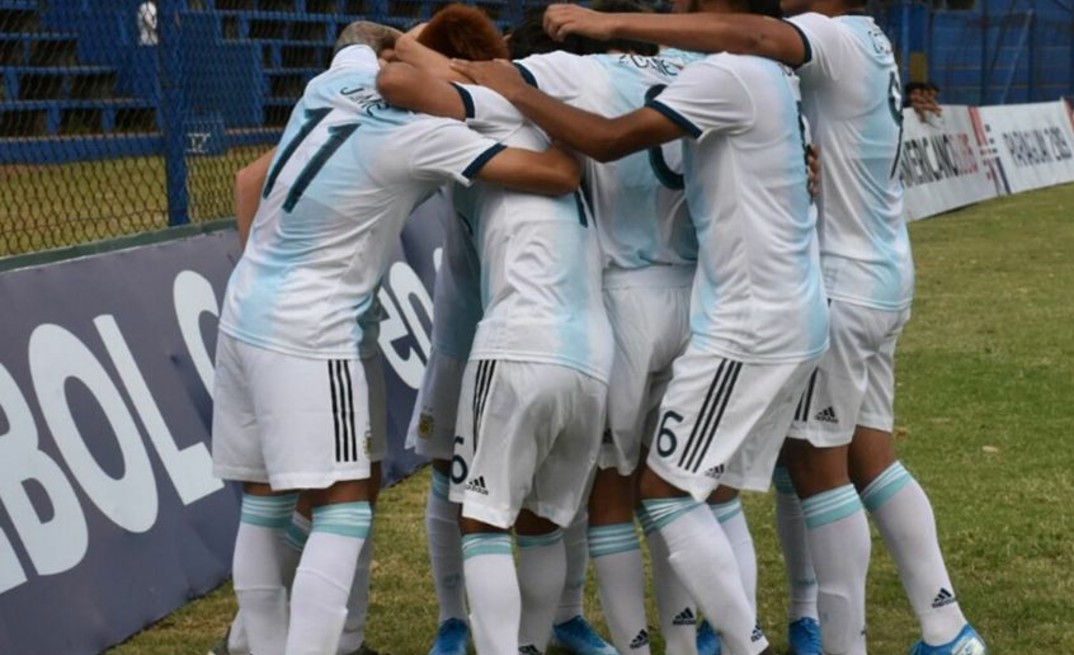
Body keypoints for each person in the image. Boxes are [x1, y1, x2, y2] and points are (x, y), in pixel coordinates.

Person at [542, 4, 986, 655]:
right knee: (866, 457)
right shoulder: (864, 41)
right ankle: (942, 622)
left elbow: (749, 35)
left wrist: (611, 26)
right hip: (878, 270)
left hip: (829, 279)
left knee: (809, 470)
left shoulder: (822, 38)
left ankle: (840, 638)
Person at [452, 0, 827, 650]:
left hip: (632, 299)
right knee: (708, 493)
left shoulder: (579, 69)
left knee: (623, 490)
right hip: (698, 291)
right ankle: (693, 641)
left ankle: (651, 643)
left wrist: (501, 76)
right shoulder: (712, 68)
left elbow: (590, 133)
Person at [210, 20, 580, 655]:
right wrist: (552, 116)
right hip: (313, 329)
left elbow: (253, 177)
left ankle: (253, 643)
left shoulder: (338, 78)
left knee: (265, 503)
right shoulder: (427, 135)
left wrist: (416, 37)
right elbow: (556, 175)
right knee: (345, 506)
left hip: (244, 312)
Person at [389, 9, 619, 655]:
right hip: (590, 346)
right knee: (543, 520)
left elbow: (398, 71)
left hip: (515, 332)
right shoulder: (576, 120)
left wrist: (436, 37)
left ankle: (477, 630)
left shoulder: (479, 107)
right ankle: (511, 635)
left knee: (482, 517)